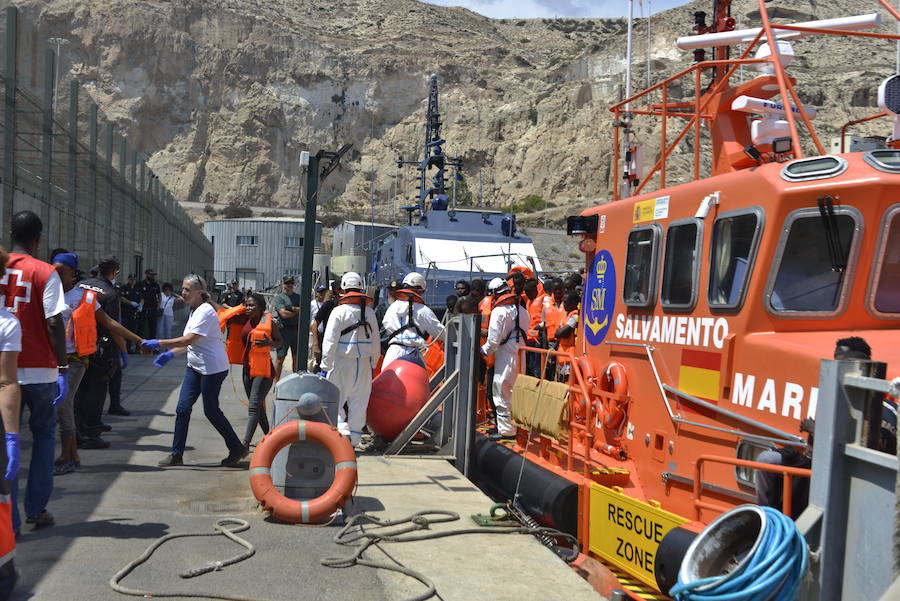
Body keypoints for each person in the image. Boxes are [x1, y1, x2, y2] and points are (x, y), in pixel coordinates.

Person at [0, 211, 67, 532]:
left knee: (7, 443)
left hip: (4, 372)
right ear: (38, 239)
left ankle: (9, 520)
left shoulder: (1, 267)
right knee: (43, 436)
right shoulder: (45, 271)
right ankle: (36, 509)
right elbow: (54, 320)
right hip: (40, 370)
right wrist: (63, 365)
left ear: (10, 232)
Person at [52, 253, 143, 474]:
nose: (56, 275)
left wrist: (138, 341)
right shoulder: (48, 295)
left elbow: (110, 322)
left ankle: (67, 456)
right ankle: (73, 454)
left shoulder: (84, 296)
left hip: (75, 360)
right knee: (68, 406)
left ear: (73, 273)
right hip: (52, 361)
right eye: (53, 271)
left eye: (62, 272)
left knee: (65, 406)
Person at [142, 274, 245, 467]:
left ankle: (237, 447)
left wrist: (160, 343)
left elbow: (189, 339)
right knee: (182, 409)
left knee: (211, 411)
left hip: (212, 369)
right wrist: (171, 354)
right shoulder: (194, 310)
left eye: (187, 289)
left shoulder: (206, 312)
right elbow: (191, 343)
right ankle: (176, 454)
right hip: (195, 367)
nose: (183, 292)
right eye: (183, 288)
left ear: (199, 292)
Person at [320, 272, 380, 450]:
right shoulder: (369, 312)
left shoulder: (339, 311)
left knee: (334, 398)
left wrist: (325, 365)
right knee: (360, 401)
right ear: (361, 287)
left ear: (343, 288)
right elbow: (376, 340)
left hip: (341, 361)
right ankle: (354, 439)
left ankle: (342, 429)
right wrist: (374, 363)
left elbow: (329, 340)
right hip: (363, 363)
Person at [75, 255, 131, 444]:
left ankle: (77, 430)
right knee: (96, 392)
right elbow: (112, 326)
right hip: (100, 348)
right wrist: (123, 350)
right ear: (114, 271)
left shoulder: (81, 285)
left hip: (76, 345)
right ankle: (91, 433)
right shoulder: (110, 293)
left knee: (79, 389)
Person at [222, 293, 282, 452]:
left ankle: (245, 444)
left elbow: (280, 342)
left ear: (261, 307)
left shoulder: (269, 322)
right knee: (258, 409)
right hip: (247, 369)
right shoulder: (244, 319)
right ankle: (271, 437)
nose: (248, 308)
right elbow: (224, 313)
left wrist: (270, 343)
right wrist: (208, 300)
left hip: (264, 371)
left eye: (251, 305)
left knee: (254, 407)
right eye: (246, 305)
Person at [480, 278, 529, 441]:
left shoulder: (499, 311)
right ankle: (513, 426)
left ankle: (507, 431)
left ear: (495, 293)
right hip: (521, 356)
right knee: (516, 392)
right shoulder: (522, 310)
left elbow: (493, 340)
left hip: (505, 356)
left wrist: (483, 351)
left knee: (501, 391)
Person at [382, 272, 443, 370]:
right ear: (420, 290)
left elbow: (386, 324)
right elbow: (439, 332)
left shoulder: (393, 307)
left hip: (393, 353)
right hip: (413, 355)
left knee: (387, 379)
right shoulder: (423, 310)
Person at [273, 276, 302, 380]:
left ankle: (295, 381)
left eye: (291, 283)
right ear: (283, 284)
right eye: (287, 283)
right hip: (284, 331)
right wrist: (296, 311)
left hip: (297, 330)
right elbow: (283, 314)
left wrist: (291, 309)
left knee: (296, 358)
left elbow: (304, 310)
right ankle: (276, 383)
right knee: (280, 357)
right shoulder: (280, 298)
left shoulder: (298, 297)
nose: (289, 285)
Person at [311, 280, 342, 371]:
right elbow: (314, 325)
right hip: (327, 342)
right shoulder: (329, 304)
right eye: (339, 289)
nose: (342, 291)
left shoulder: (349, 306)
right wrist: (316, 345)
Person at [553, 290, 580, 382]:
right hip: (562, 353)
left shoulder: (575, 316)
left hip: (570, 354)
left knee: (567, 380)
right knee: (560, 379)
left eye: (566, 302)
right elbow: (558, 333)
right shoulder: (566, 315)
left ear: (573, 303)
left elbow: (561, 333)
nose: (564, 304)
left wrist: (559, 333)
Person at [524, 277, 547, 378]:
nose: (528, 296)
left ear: (535, 290)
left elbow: (548, 317)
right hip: (530, 338)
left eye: (529, 293)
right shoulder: (529, 301)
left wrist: (540, 326)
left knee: (537, 367)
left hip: (538, 338)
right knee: (530, 365)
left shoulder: (544, 299)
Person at [137, 269, 161, 340]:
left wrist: (159, 305)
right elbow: (138, 295)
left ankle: (152, 344)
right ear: (146, 274)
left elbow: (159, 295)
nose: (153, 276)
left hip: (153, 308)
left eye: (154, 275)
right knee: (141, 327)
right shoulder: (141, 284)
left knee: (153, 327)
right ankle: (138, 344)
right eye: (151, 275)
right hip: (143, 308)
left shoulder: (155, 284)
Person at [119, 275, 142, 353]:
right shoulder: (124, 287)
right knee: (124, 330)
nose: (132, 281)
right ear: (128, 280)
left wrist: (141, 304)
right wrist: (130, 303)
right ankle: (122, 348)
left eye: (134, 280)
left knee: (132, 330)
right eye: (131, 280)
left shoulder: (137, 289)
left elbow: (141, 298)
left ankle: (129, 348)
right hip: (125, 312)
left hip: (134, 313)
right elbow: (121, 298)